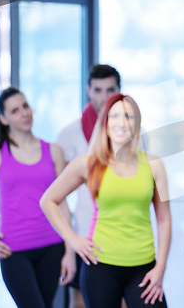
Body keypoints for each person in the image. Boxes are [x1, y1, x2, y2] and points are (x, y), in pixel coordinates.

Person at [41, 94, 171, 308]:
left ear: (137, 123)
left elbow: (164, 218)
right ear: (105, 123)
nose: (121, 122)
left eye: (128, 116)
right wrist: (73, 239)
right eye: (115, 116)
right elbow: (48, 200)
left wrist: (160, 268)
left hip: (144, 267)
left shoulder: (153, 164)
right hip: (100, 266)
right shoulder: (88, 163)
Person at [0, 87, 75, 308]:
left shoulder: (54, 151)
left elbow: (62, 203)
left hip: (52, 247)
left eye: (25, 106)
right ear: (3, 119)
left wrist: (69, 251)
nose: (24, 113)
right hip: (14, 251)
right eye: (14, 111)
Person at [57, 64, 121, 308]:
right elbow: (57, 195)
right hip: (84, 234)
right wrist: (69, 242)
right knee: (81, 302)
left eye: (110, 89)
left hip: (121, 235)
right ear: (88, 90)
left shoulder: (135, 133)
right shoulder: (70, 134)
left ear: (119, 90)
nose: (104, 96)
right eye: (98, 90)